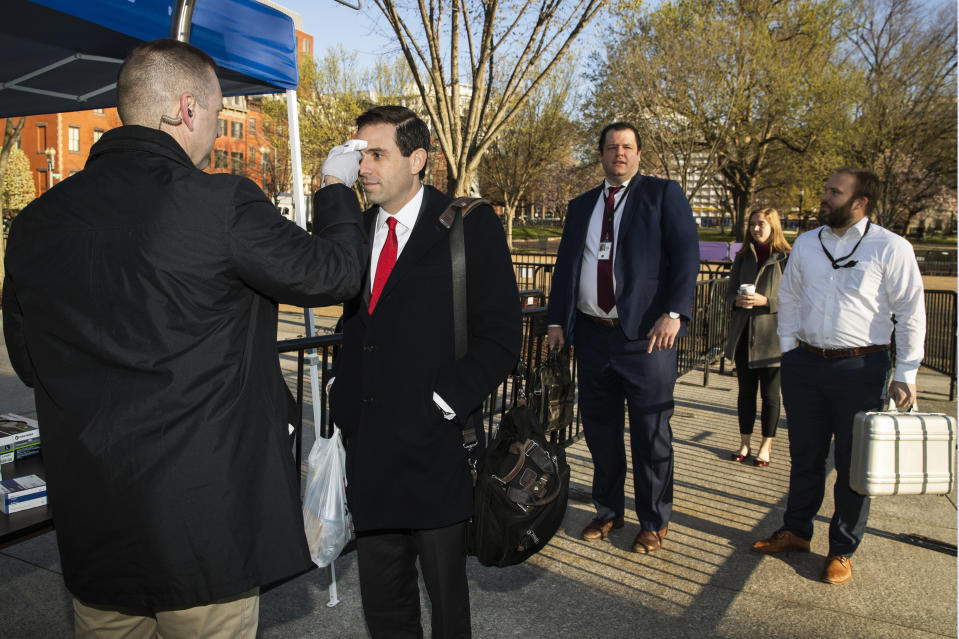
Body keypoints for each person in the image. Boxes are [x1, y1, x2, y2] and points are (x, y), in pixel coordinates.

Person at [1, 39, 367, 637]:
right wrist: (332, 188)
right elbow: (334, 273)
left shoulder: (37, 222)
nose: (216, 130)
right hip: (202, 527)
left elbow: (28, 358)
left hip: (95, 520)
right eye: (219, 114)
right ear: (186, 109)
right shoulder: (218, 202)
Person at [330, 105, 521, 638]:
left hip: (436, 449)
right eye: (358, 154)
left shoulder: (468, 225)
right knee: (384, 604)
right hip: (370, 451)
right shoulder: (359, 228)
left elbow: (502, 334)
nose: (362, 167)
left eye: (375, 154)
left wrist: (445, 402)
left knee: (447, 605)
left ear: (417, 160)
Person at [751, 168, 925, 585]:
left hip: (861, 368)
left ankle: (842, 549)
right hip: (805, 364)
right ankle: (796, 531)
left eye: (834, 192)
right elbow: (789, 295)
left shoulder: (891, 247)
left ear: (860, 202)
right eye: (826, 189)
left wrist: (906, 371)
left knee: (853, 464)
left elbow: (911, 311)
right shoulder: (809, 244)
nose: (824, 197)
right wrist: (790, 348)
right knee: (805, 455)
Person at [546, 122, 699, 554]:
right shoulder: (581, 207)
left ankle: (653, 520)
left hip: (647, 339)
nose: (620, 153)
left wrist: (674, 312)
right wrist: (558, 321)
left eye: (628, 147)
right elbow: (567, 267)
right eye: (612, 147)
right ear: (601, 154)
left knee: (651, 434)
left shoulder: (662, 194)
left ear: (638, 154)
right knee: (600, 431)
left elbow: (687, 254)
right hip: (593, 337)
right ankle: (608, 510)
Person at [724, 208, 791, 467]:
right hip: (744, 335)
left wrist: (767, 301)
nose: (755, 229)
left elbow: (795, 299)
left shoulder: (786, 258)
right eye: (752, 224)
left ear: (773, 225)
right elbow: (729, 292)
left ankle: (766, 446)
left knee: (771, 396)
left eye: (760, 224)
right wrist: (736, 300)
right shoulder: (743, 256)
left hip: (771, 337)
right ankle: (744, 442)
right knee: (746, 394)